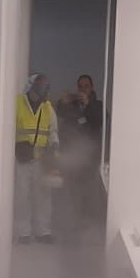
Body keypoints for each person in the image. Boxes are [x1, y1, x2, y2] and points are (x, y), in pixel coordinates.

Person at [14, 72, 59, 243]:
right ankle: (23, 233)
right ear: (33, 86)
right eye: (43, 86)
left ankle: (43, 232)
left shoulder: (47, 107)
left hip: (41, 158)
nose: (46, 90)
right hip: (22, 158)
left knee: (43, 196)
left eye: (47, 87)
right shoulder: (17, 103)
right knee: (22, 196)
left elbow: (52, 130)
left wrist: (54, 144)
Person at [60, 74, 105, 232]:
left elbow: (100, 120)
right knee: (73, 198)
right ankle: (74, 230)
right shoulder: (73, 106)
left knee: (91, 197)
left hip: (91, 161)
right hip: (74, 160)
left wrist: (88, 105)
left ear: (92, 87)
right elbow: (61, 115)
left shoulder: (98, 105)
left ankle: (91, 231)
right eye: (80, 86)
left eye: (86, 86)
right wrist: (63, 102)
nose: (83, 89)